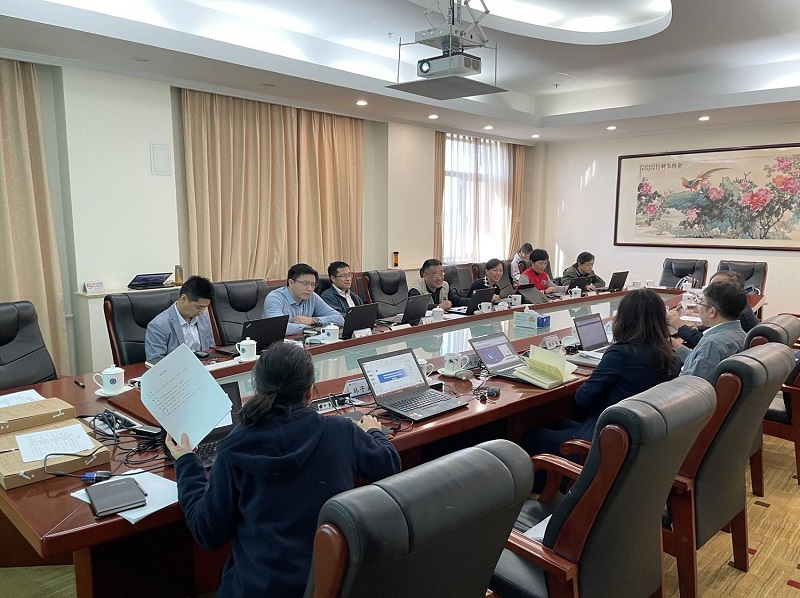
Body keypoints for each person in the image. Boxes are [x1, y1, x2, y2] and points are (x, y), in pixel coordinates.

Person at [166, 343, 401, 597]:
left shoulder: (234, 449)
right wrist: (374, 431)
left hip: (256, 589)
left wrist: (186, 462)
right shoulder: (342, 431)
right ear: (310, 392)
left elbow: (207, 532)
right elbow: (390, 466)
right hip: (329, 582)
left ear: (258, 390)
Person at [523, 289, 679, 476]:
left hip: (605, 441)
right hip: (634, 438)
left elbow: (583, 398)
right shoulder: (670, 356)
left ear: (624, 319)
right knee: (556, 422)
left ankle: (550, 491)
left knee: (531, 435)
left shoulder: (621, 353)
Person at [674, 280, 746, 381]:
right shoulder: (741, 335)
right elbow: (703, 362)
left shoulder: (713, 344)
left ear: (712, 312)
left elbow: (691, 383)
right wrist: (677, 347)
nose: (698, 308)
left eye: (700, 303)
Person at [668, 270, 758, 347]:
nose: (709, 290)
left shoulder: (739, 313)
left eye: (715, 286)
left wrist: (680, 327)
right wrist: (698, 329)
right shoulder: (736, 304)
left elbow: (705, 343)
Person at [144, 275, 215, 361]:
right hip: (175, 367)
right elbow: (155, 361)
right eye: (199, 307)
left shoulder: (203, 317)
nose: (202, 312)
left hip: (203, 365)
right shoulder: (158, 325)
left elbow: (210, 348)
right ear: (184, 299)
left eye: (205, 307)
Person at [263, 263, 344, 335]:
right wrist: (309, 328)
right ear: (291, 283)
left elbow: (339, 319)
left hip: (303, 341)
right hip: (276, 344)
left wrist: (313, 321)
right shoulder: (274, 298)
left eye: (313, 284)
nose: (310, 289)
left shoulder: (312, 297)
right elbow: (278, 327)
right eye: (305, 283)